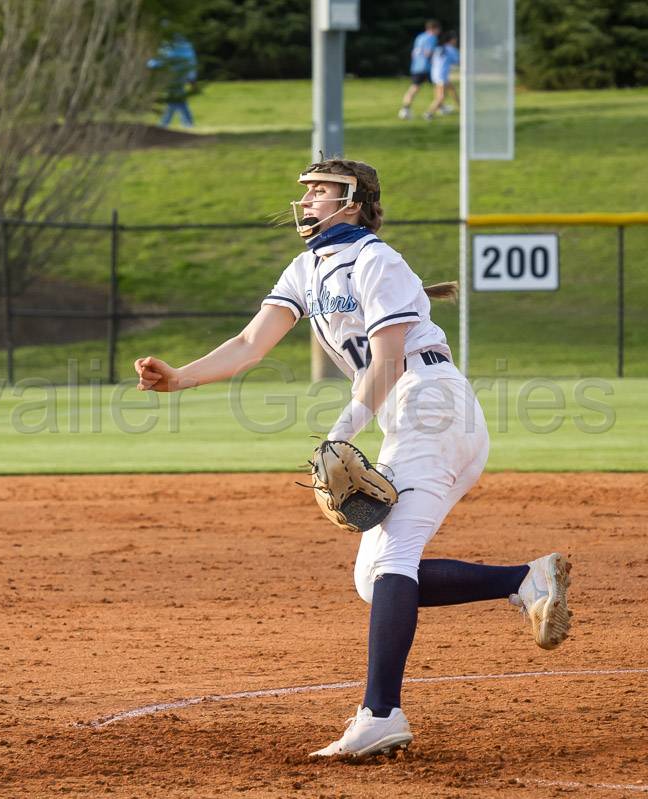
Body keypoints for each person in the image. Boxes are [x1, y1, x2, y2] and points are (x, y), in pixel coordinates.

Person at [133, 159, 573, 759]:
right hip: (409, 418)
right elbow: (248, 345)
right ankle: (525, 580)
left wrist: (341, 433)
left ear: (356, 202)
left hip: (433, 406)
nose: (309, 200)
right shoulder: (305, 268)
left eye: (322, 191)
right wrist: (179, 378)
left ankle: (381, 712)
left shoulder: (377, 261)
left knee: (393, 558)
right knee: (374, 579)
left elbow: (389, 359)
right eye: (307, 191)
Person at [148, 33, 198, 128]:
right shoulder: (187, 46)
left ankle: (167, 124)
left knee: (176, 99)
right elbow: (192, 63)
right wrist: (192, 79)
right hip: (180, 75)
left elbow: (162, 59)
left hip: (173, 75)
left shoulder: (168, 45)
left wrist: (151, 64)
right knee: (177, 99)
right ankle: (185, 123)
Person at [399, 20, 441, 120]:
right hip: (427, 67)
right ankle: (437, 108)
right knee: (439, 88)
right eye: (438, 29)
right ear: (434, 29)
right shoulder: (432, 38)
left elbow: (414, 52)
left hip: (416, 66)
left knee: (414, 88)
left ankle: (405, 109)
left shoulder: (420, 37)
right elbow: (428, 53)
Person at [425, 32, 460, 121]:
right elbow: (457, 61)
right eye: (455, 39)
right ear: (452, 40)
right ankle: (429, 113)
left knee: (452, 90)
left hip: (435, 74)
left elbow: (432, 60)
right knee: (441, 96)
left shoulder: (438, 48)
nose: (456, 41)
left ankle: (461, 108)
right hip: (442, 75)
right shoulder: (451, 49)